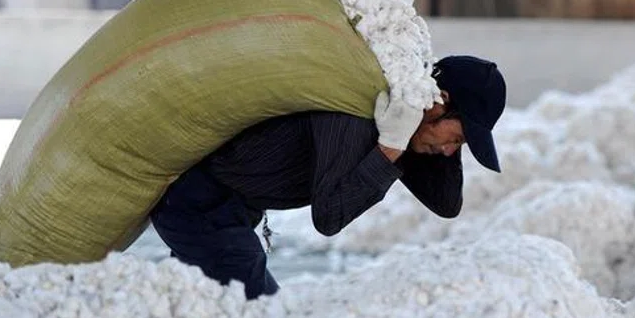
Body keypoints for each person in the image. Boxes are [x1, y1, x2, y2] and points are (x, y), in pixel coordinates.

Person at [149, 55, 506, 299]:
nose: (449, 151)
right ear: (439, 101)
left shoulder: (399, 119)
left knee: (199, 310)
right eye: (457, 139)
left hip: (231, 211)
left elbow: (446, 204)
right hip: (204, 206)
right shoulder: (354, 109)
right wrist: (391, 149)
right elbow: (329, 217)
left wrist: (414, 128)